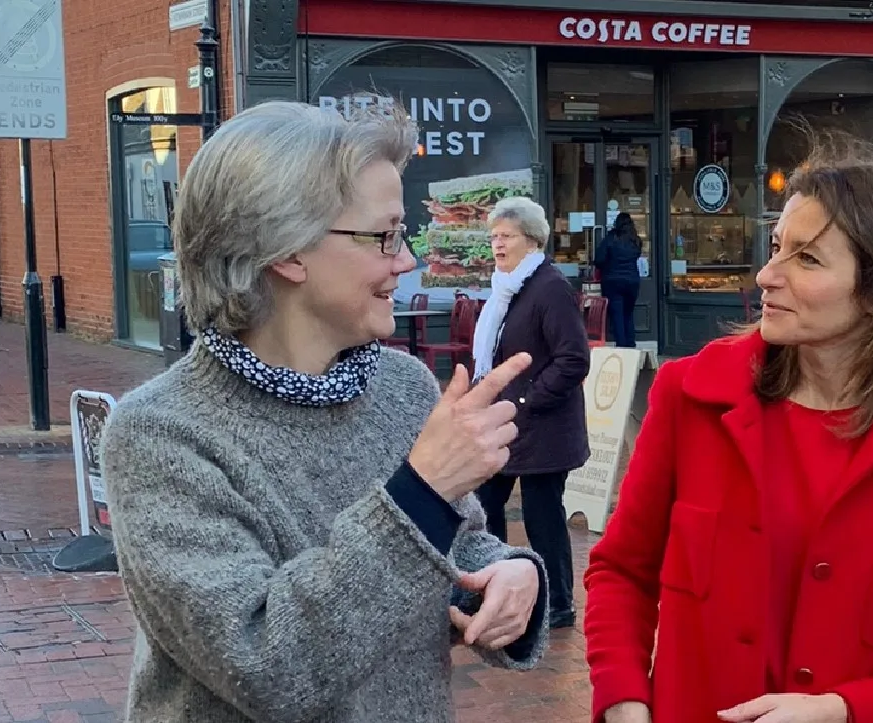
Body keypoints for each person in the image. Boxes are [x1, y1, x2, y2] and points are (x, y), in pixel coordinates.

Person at [99, 100, 550, 723]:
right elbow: (265, 667)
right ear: (287, 251)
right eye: (384, 235)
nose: (408, 259)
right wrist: (421, 491)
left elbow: (458, 545)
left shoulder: (402, 387)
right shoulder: (162, 433)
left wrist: (507, 577)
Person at [583, 135, 873, 723]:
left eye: (808, 259)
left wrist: (843, 710)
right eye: (777, 248)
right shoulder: (691, 398)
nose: (767, 275)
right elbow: (622, 570)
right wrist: (624, 698)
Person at [471, 196, 590, 630]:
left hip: (542, 428)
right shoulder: (508, 287)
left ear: (532, 240)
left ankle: (558, 603)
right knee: (484, 504)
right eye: (493, 237)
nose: (496, 246)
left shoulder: (549, 286)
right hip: (507, 425)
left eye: (505, 237)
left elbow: (573, 359)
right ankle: (496, 585)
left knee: (543, 517)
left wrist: (526, 401)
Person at [594, 212, 642, 348]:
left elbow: (599, 259)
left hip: (613, 281)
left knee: (617, 315)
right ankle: (631, 344)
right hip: (632, 281)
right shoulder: (636, 240)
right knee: (628, 313)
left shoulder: (611, 238)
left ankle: (622, 348)